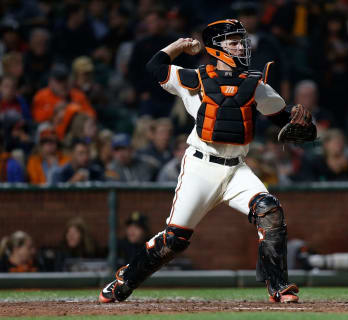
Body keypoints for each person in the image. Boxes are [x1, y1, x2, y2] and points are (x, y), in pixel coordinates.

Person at [99, 19, 317, 304]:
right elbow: (155, 67)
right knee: (174, 240)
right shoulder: (194, 78)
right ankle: (123, 282)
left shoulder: (255, 85)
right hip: (201, 168)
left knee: (270, 210)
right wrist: (179, 45)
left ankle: (278, 286)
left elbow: (281, 118)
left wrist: (299, 117)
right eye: (233, 41)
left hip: (237, 169)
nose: (241, 46)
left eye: (242, 40)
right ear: (217, 47)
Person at [31, 64, 96, 123]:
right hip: (52, 131)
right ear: (50, 82)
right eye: (59, 81)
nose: (63, 84)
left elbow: (92, 115)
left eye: (65, 80)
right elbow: (37, 119)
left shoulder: (78, 95)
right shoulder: (41, 96)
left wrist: (75, 111)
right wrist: (54, 111)